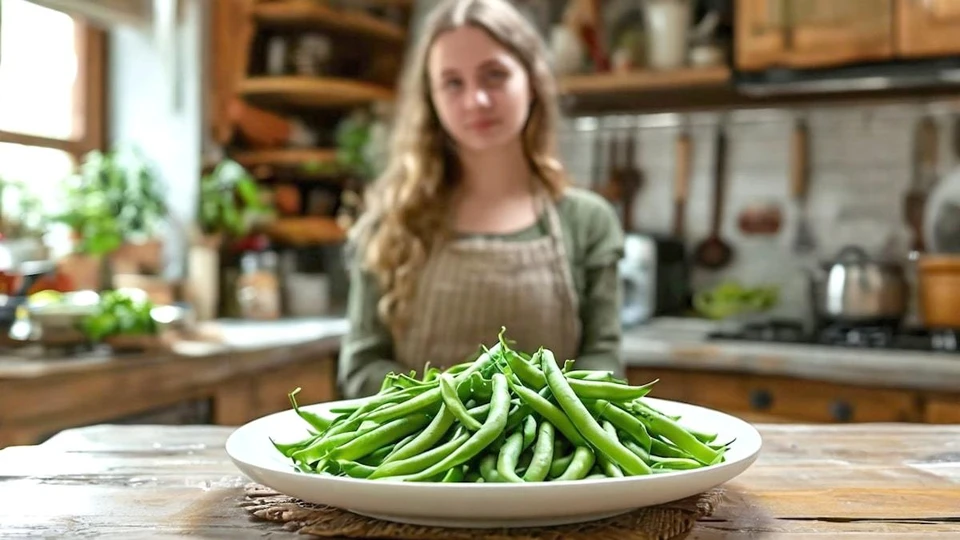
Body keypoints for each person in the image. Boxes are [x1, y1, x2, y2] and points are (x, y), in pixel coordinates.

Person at [338, 0, 625, 399]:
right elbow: (362, 366)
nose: (477, 100)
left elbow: (604, 363)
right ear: (431, 99)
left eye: (494, 76)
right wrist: (454, 412)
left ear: (532, 82)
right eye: (453, 83)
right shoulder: (389, 221)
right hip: (422, 456)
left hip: (547, 456)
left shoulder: (588, 222)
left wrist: (527, 415)